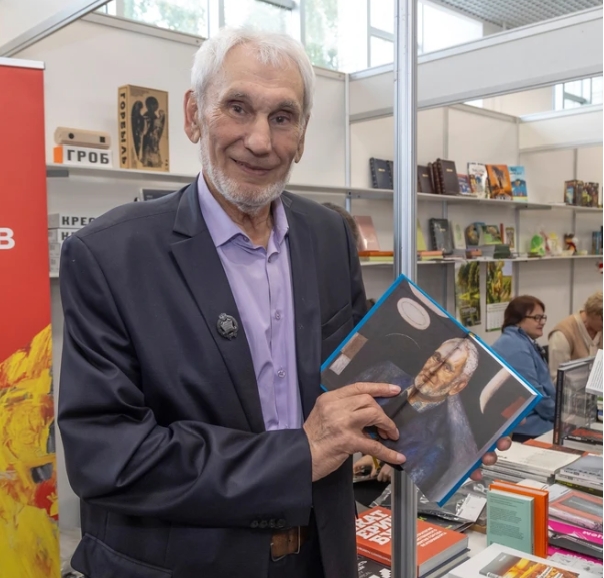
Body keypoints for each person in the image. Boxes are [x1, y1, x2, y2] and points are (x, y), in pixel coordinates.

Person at [58, 28, 508, 578]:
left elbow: (357, 377)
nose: (260, 140)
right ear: (194, 115)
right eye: (238, 108)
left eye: (282, 117)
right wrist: (299, 455)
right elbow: (106, 455)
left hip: (323, 554)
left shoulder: (328, 235)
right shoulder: (110, 254)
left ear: (303, 133)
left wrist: (452, 435)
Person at [352, 338, 480, 504]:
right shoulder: (383, 373)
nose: (432, 370)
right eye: (436, 358)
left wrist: (392, 467)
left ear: (457, 386)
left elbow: (412, 486)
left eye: (447, 368)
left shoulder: (441, 441)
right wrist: (374, 458)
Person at [492, 295, 555, 441]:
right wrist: (559, 416)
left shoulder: (520, 341)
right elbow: (534, 393)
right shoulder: (514, 346)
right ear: (518, 319)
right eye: (537, 318)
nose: (542, 322)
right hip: (528, 429)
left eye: (543, 317)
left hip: (534, 424)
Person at [548, 291, 603, 382]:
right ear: (593, 314)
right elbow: (557, 381)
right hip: (573, 390)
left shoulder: (599, 328)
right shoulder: (562, 335)